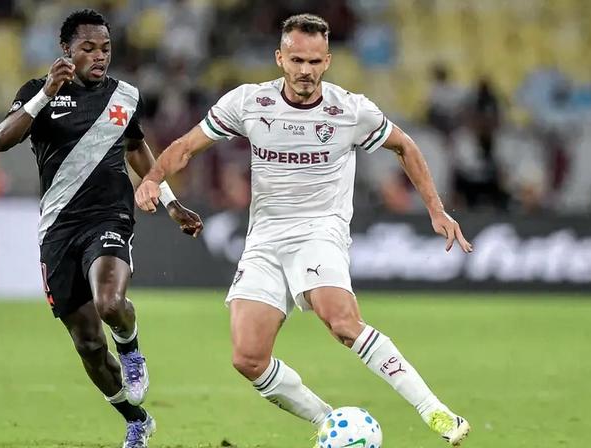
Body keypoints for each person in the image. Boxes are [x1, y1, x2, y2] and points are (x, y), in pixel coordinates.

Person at [135, 14, 472, 446]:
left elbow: (403, 145)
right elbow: (184, 148)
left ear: (327, 62)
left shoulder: (350, 110)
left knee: (343, 322)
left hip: (320, 230)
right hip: (265, 238)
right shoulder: (249, 103)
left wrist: (436, 210)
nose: (305, 71)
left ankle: (436, 412)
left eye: (314, 61)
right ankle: (331, 422)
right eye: (296, 59)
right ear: (280, 58)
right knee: (248, 358)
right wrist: (151, 180)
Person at [0, 9, 203, 448]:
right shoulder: (38, 92)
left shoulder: (124, 95)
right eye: (88, 48)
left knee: (110, 302)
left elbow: (135, 148)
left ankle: (131, 349)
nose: (99, 56)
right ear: (66, 50)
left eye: (105, 48)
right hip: (57, 228)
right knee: (87, 343)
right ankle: (136, 419)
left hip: (109, 216)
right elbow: (2, 139)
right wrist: (46, 93)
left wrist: (170, 202)